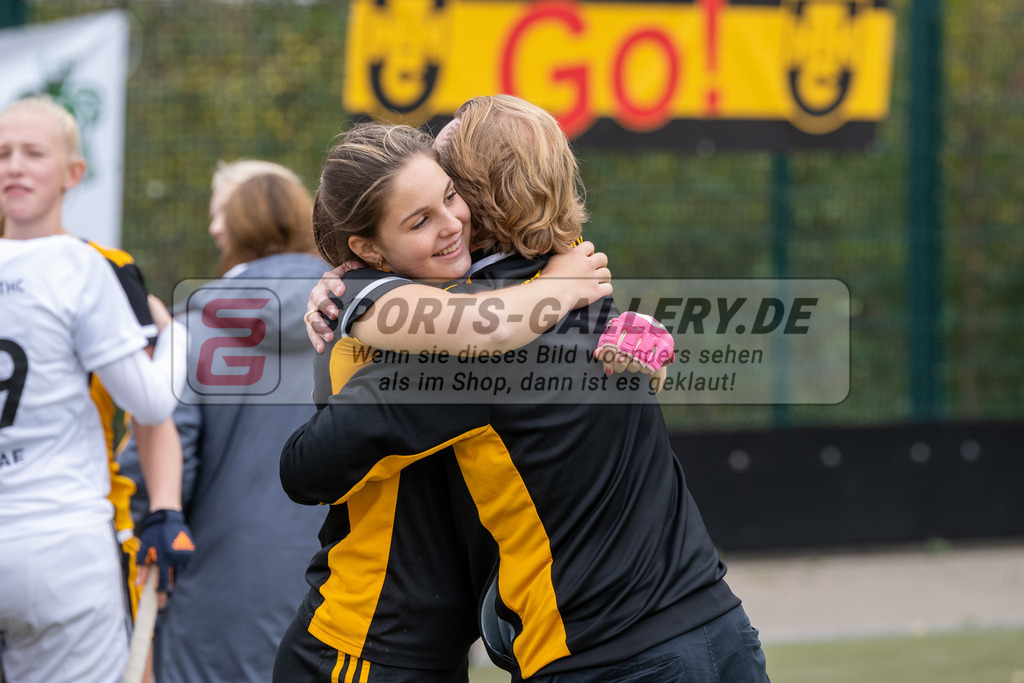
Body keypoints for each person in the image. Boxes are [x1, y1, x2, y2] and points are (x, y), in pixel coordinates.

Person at [282, 95, 769, 682]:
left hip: (605, 658)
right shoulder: (586, 289)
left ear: (476, 202)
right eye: (420, 216)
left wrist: (355, 297)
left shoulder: (472, 338)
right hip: (721, 626)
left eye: (450, 194)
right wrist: (357, 290)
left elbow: (305, 467)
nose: (447, 220)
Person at [119, 162, 331, 683]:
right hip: (345, 589)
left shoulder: (191, 333)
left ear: (227, 231)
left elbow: (158, 461)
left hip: (216, 595)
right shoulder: (365, 327)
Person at [0, 96, 185, 683]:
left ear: (72, 173)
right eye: (2, 153)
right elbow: (157, 396)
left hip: (78, 519)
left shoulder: (106, 267)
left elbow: (151, 418)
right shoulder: (86, 269)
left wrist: (165, 508)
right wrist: (176, 329)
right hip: (64, 543)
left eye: (33, 152)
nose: (14, 166)